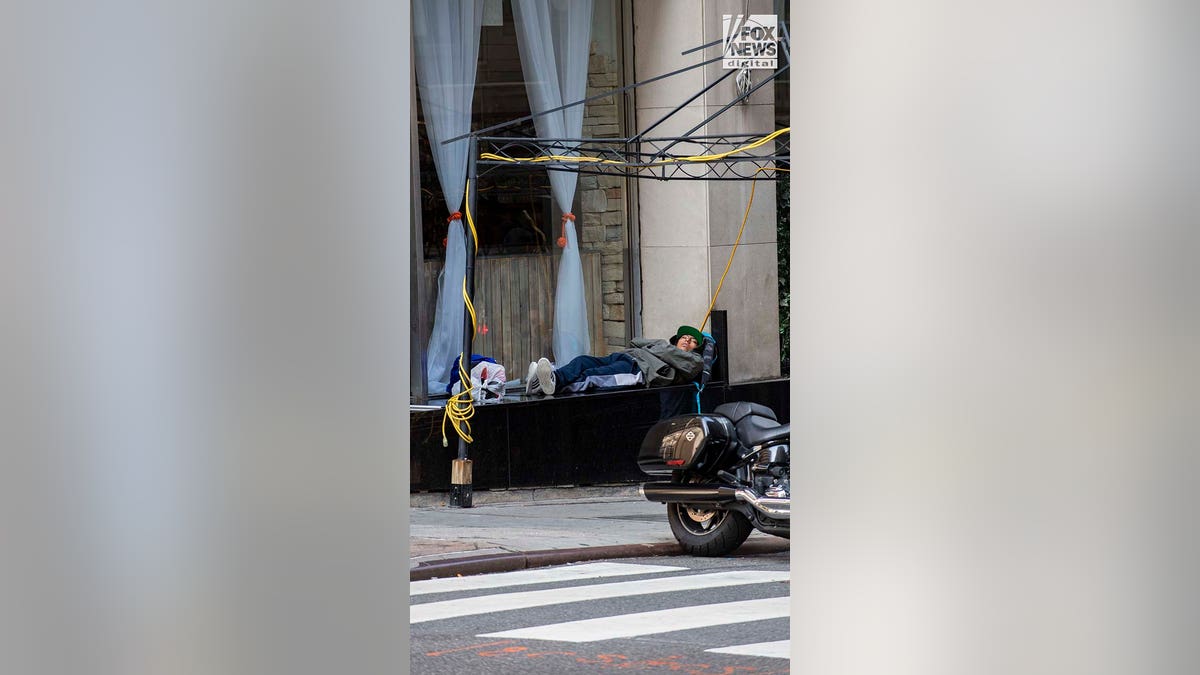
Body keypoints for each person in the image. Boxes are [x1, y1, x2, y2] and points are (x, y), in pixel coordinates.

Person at [525, 325, 715, 396]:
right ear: (676, 339)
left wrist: (660, 346)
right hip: (625, 356)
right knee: (582, 361)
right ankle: (552, 378)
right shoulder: (664, 346)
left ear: (695, 348)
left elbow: (685, 364)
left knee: (591, 377)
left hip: (638, 370)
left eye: (692, 341)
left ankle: (545, 386)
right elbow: (635, 341)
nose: (687, 341)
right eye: (684, 338)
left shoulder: (694, 361)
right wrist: (661, 346)